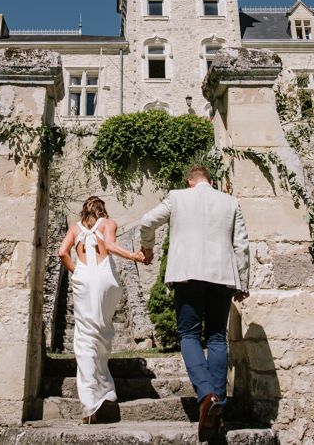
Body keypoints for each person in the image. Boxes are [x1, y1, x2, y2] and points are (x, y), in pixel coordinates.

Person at [138, 165, 250, 443]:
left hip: (187, 275)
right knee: (216, 338)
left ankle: (206, 394)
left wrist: (148, 248)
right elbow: (242, 245)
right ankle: (218, 404)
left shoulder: (177, 197)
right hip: (222, 276)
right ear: (211, 181)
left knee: (189, 335)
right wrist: (243, 281)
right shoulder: (230, 202)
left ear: (190, 181)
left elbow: (146, 222)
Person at [58, 196, 146, 423]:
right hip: (106, 280)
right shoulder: (109, 223)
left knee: (84, 337)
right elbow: (109, 245)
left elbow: (62, 253)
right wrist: (133, 255)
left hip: (84, 277)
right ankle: (105, 388)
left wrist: (76, 271)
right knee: (102, 332)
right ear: (102, 210)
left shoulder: (74, 229)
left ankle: (91, 401)